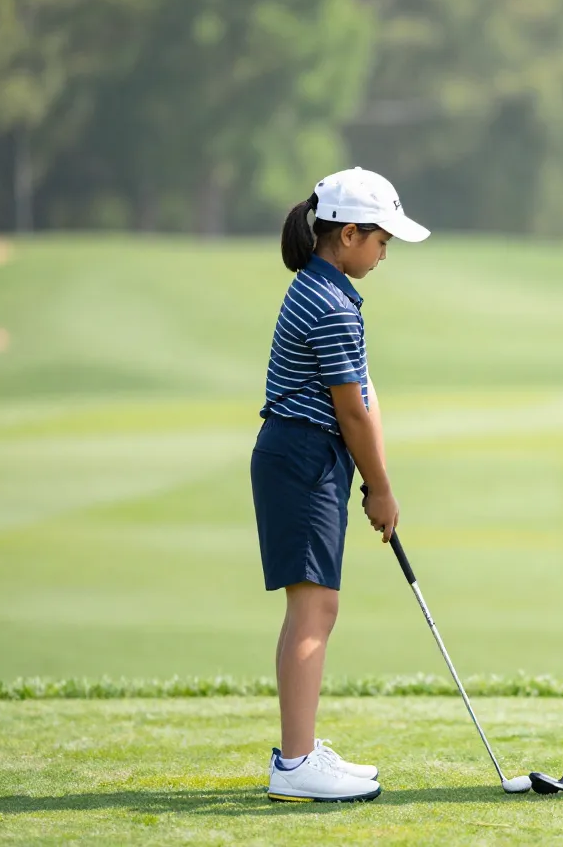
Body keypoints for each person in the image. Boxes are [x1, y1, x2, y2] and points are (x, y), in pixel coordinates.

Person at [251, 167, 430, 803]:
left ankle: (300, 750)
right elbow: (350, 410)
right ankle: (296, 764)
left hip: (304, 454)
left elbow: (363, 398)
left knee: (316, 607)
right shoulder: (329, 304)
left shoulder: (325, 291)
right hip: (303, 455)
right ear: (348, 234)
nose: (385, 253)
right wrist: (381, 490)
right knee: (314, 609)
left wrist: (376, 479)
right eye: (381, 241)